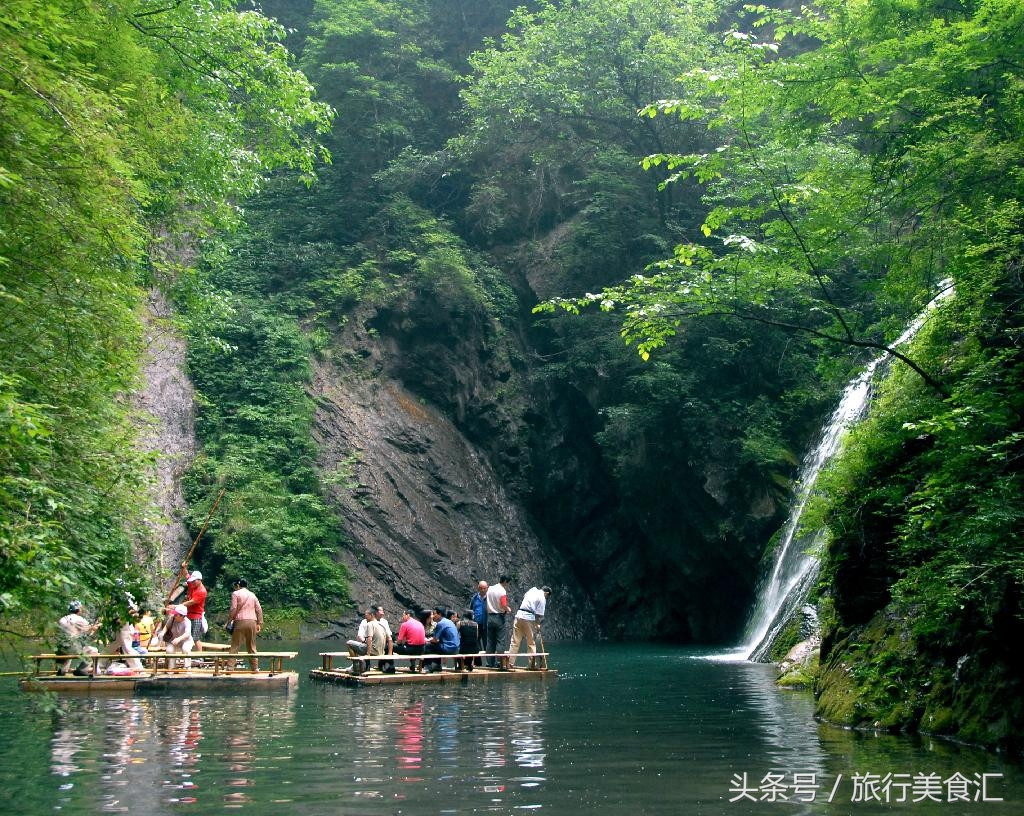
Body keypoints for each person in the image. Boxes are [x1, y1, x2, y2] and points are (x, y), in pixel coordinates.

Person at [506, 585, 551, 670]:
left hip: (519, 616)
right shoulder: (542, 597)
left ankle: (510, 663)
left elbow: (526, 599)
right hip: (529, 618)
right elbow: (539, 614)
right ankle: (531, 664)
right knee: (531, 642)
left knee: (515, 641)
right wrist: (537, 624)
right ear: (547, 593)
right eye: (547, 596)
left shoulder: (532, 590)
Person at [226, 578, 263, 672]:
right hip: (252, 622)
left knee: (235, 646)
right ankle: (255, 668)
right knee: (252, 646)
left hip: (240, 621)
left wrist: (229, 620)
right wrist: (259, 623)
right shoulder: (253, 595)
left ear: (238, 585)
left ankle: (230, 668)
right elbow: (259, 609)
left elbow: (234, 608)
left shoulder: (236, 594)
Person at [56, 600, 100, 676]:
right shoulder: (79, 619)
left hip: (60, 648)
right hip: (71, 648)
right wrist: (97, 626)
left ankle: (62, 670)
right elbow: (90, 630)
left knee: (68, 647)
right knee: (93, 650)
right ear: (79, 609)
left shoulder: (62, 619)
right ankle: (81, 670)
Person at [485, 576, 511, 667]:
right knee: (500, 640)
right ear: (504, 581)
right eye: (507, 583)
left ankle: (489, 663)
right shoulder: (502, 591)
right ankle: (500, 663)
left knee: (490, 641)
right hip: (499, 617)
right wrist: (508, 609)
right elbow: (503, 604)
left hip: (490, 616)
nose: (507, 585)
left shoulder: (490, 588)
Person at [423, 607, 459, 673]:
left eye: (434, 614)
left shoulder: (440, 623)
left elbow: (435, 640)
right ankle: (437, 665)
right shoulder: (449, 622)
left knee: (428, 646)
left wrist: (427, 640)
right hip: (456, 649)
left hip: (448, 649)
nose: (433, 616)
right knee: (437, 646)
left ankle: (427, 666)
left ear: (439, 614)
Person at [181, 571, 207, 652]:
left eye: (194, 581)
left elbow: (191, 602)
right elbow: (186, 574)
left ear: (199, 580)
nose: (192, 582)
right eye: (192, 581)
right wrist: (184, 567)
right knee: (185, 635)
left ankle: (200, 656)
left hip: (196, 616)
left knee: (195, 637)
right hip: (188, 615)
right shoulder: (192, 584)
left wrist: (179, 606)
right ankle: (184, 653)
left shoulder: (202, 591)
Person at [164, 604, 194, 669]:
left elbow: (187, 634)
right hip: (173, 640)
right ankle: (171, 668)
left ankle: (187, 668)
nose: (174, 615)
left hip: (186, 640)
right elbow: (166, 626)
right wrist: (162, 633)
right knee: (169, 650)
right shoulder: (172, 619)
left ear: (182, 616)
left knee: (186, 649)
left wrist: (179, 639)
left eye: (176, 614)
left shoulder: (187, 622)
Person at [469, 580, 488, 666]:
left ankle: (490, 662)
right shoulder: (474, 598)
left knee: (487, 643)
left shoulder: (489, 598)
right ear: (478, 588)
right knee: (476, 643)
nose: (483, 590)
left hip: (486, 624)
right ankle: (478, 662)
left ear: (487, 588)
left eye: (484, 588)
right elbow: (471, 610)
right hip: (476, 624)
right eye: (481, 588)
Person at [375, 605, 395, 673]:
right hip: (374, 642)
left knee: (389, 646)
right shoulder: (371, 621)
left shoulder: (384, 621)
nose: (383, 612)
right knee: (386, 646)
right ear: (376, 612)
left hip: (384, 641)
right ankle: (386, 665)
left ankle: (386, 665)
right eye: (381, 610)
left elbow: (389, 633)